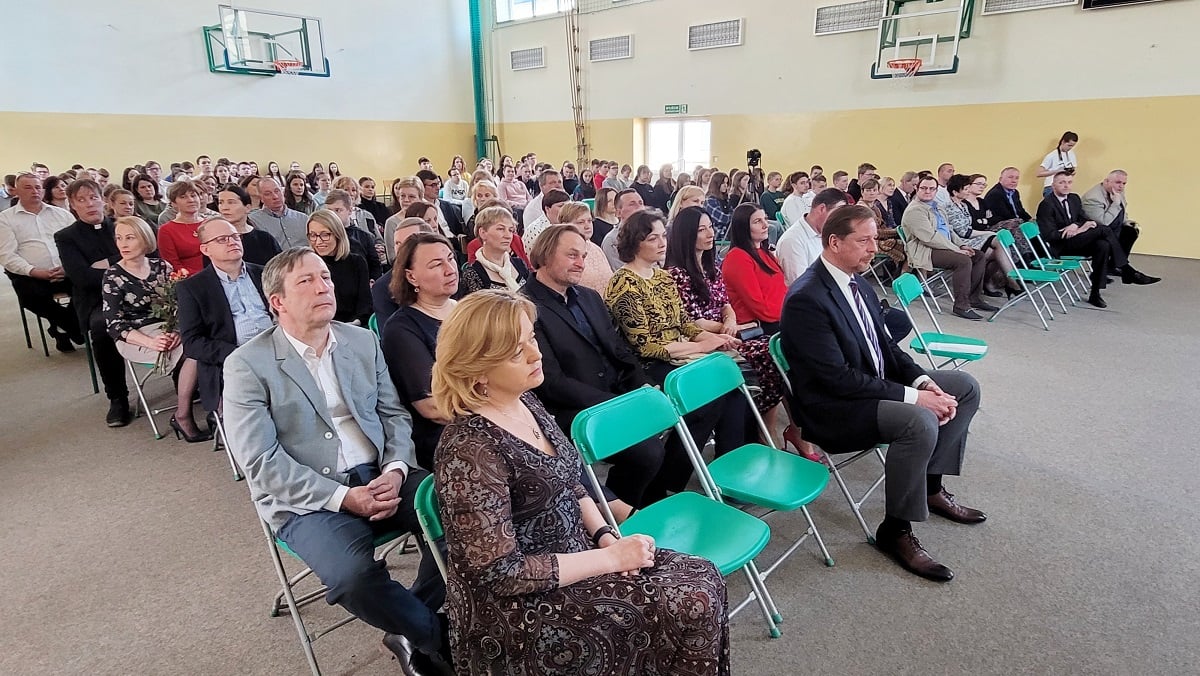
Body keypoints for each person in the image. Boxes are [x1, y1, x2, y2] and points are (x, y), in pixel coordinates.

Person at [430, 289, 729, 674]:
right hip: (522, 609)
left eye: (531, 338)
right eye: (517, 351)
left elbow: (570, 480)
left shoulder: (524, 401)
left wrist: (607, 536)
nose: (536, 355)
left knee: (705, 576)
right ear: (478, 370)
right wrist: (609, 558)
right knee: (693, 600)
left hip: (577, 555)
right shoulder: (469, 449)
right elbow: (502, 572)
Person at [222, 248, 453, 675]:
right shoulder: (247, 366)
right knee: (352, 578)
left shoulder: (360, 341)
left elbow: (393, 415)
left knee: (469, 519)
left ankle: (405, 626)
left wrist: (395, 469)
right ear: (277, 301)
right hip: (308, 497)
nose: (323, 287)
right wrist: (344, 497)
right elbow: (261, 462)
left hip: (383, 474)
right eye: (306, 281)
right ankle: (435, 635)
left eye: (325, 277)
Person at [781, 204, 985, 582]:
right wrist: (915, 398)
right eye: (864, 241)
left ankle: (930, 486)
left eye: (875, 238)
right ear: (834, 242)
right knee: (919, 420)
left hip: (871, 386)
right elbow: (837, 380)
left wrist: (923, 383)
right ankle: (895, 529)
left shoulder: (857, 282)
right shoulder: (807, 298)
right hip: (835, 408)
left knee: (965, 387)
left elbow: (888, 348)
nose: (875, 248)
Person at [605, 208, 748, 457]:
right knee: (706, 401)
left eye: (663, 236)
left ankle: (729, 463)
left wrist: (715, 339)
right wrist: (701, 346)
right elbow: (645, 346)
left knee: (734, 392)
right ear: (634, 243)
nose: (662, 243)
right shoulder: (624, 283)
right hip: (648, 364)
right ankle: (674, 471)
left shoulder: (663, 277)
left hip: (679, 353)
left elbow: (684, 323)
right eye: (653, 238)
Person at [665, 207, 786, 431]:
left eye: (711, 227)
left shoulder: (711, 267)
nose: (711, 233)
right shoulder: (677, 274)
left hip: (728, 331)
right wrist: (728, 328)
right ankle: (754, 425)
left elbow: (726, 304)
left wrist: (730, 322)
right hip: (704, 338)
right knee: (768, 355)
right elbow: (692, 321)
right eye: (702, 230)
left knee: (776, 353)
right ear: (687, 235)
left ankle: (757, 423)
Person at [102, 216, 210, 442]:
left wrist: (178, 330)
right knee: (195, 352)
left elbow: (180, 304)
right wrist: (151, 342)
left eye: (130, 238)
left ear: (144, 239)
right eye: (119, 238)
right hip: (135, 336)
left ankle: (212, 407)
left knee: (204, 343)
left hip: (169, 328)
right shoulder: (113, 275)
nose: (123, 244)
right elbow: (114, 324)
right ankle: (183, 415)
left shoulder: (161, 266)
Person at [177, 217, 273, 417]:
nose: (232, 242)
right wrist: (236, 353)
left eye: (235, 236)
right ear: (205, 249)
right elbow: (192, 343)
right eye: (222, 239)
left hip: (276, 348)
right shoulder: (193, 288)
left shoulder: (264, 274)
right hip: (233, 358)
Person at [380, 233, 460, 473]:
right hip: (448, 436)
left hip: (493, 416)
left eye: (450, 259)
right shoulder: (401, 330)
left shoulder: (467, 311)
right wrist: (497, 410)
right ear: (411, 276)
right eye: (436, 265)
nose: (450, 270)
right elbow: (434, 408)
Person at [54, 179, 131, 425]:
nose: (89, 204)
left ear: (103, 200)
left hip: (136, 292)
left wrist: (107, 262)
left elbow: (149, 254)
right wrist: (123, 262)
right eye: (81, 200)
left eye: (93, 197)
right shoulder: (66, 237)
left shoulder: (123, 226)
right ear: (72, 205)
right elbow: (83, 278)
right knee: (102, 328)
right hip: (96, 300)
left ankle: (184, 384)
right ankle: (118, 398)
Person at [1035, 172, 1158, 308]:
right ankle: (1126, 269)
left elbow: (1082, 218)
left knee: (1102, 245)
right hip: (1061, 245)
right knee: (1103, 229)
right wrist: (1079, 230)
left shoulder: (1074, 198)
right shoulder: (1046, 205)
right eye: (1062, 182)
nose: (1066, 186)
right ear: (1053, 185)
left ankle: (1095, 293)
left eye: (1069, 182)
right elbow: (1049, 235)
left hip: (1077, 241)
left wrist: (1076, 225)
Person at [0, 173, 81, 352]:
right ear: (16, 191)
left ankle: (61, 329)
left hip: (66, 270)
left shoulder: (62, 215)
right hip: (30, 275)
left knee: (88, 287)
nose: (34, 191)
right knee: (32, 298)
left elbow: (78, 245)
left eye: (37, 187)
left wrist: (67, 267)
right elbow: (6, 255)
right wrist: (34, 271)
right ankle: (74, 328)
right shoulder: (5, 219)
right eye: (28, 187)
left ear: (43, 191)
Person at [902, 176, 991, 320]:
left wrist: (961, 244)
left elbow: (949, 230)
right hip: (925, 250)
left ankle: (974, 298)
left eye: (932, 189)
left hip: (944, 247)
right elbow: (930, 238)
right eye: (923, 188)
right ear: (917, 189)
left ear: (936, 191)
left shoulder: (937, 206)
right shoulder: (915, 210)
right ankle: (961, 305)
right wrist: (956, 249)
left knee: (978, 255)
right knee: (963, 260)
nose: (927, 191)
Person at [721, 203, 787, 334]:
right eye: (757, 221)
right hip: (758, 326)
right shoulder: (737, 257)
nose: (765, 225)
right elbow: (758, 305)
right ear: (743, 227)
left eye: (765, 219)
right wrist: (791, 313)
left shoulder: (765, 253)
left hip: (780, 318)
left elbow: (782, 290)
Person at [306, 210, 371, 325]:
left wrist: (354, 324)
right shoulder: (306, 265)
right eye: (313, 235)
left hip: (354, 326)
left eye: (325, 235)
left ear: (337, 234)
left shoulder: (357, 262)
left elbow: (365, 304)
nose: (318, 241)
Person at [777, 188, 846, 284]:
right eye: (837, 214)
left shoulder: (827, 233)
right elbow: (800, 285)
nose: (839, 220)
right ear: (822, 209)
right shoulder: (792, 241)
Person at [1082, 169, 1152, 265]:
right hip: (1096, 232)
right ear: (1106, 181)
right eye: (1118, 182)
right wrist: (1115, 203)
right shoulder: (1093, 197)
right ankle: (1121, 265)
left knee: (1131, 231)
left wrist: (1127, 222)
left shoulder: (1117, 192)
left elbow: (1122, 209)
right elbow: (1103, 222)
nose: (1121, 186)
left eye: (1124, 183)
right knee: (1104, 243)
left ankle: (1115, 266)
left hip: (1113, 228)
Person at [372, 217, 433, 324]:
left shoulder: (446, 273)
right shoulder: (383, 287)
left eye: (408, 242)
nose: (401, 248)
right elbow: (390, 331)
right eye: (397, 243)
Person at [461, 206, 529, 293]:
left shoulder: (519, 264)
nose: (508, 236)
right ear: (483, 233)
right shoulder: (473, 274)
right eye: (501, 229)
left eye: (511, 230)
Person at [323, 189, 383, 282]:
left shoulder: (364, 237)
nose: (333, 215)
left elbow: (375, 266)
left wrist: (373, 281)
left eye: (338, 210)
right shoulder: (322, 237)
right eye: (329, 211)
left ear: (350, 210)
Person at [216, 185, 283, 267]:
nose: (224, 208)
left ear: (247, 208)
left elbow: (280, 267)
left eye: (231, 202)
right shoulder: (215, 239)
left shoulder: (264, 239)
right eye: (221, 202)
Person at [555, 201, 612, 293]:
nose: (587, 226)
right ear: (565, 225)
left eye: (589, 221)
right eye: (581, 222)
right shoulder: (561, 251)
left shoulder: (595, 248)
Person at [157, 180, 208, 273]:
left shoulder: (210, 224)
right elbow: (172, 264)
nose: (191, 200)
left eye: (193, 195)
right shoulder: (166, 230)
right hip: (187, 277)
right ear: (173, 203)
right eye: (183, 197)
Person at [248, 177, 308, 249]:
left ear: (283, 192)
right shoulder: (253, 221)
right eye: (268, 194)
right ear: (261, 198)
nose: (275, 197)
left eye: (277, 191)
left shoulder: (303, 218)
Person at [600, 188, 645, 271]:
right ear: (618, 213)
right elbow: (620, 272)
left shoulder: (652, 233)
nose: (639, 208)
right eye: (632, 204)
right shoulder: (612, 241)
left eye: (641, 203)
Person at [417, 169, 467, 242]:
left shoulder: (446, 205)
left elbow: (459, 230)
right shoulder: (418, 209)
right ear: (421, 187)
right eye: (433, 185)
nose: (438, 188)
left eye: (438, 184)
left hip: (453, 241)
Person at [1037, 131, 1079, 197]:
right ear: (1063, 142)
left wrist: (1071, 173)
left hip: (1065, 187)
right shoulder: (1052, 155)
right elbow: (1039, 173)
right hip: (1051, 187)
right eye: (1069, 145)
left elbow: (1073, 170)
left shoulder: (1071, 154)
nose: (1070, 148)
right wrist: (1057, 171)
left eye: (1072, 146)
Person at [702, 172, 734, 240]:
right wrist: (733, 216)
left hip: (728, 235)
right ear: (716, 184)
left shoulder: (726, 199)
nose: (725, 185)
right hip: (717, 237)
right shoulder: (710, 200)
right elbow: (722, 218)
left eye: (726, 183)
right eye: (723, 183)